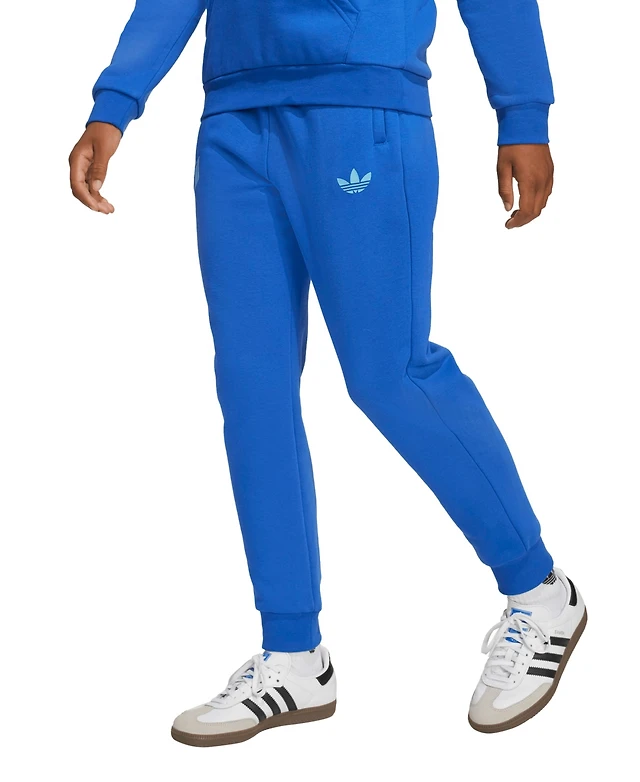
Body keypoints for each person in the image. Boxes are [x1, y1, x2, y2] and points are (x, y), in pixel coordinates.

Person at [69, 0, 587, 745]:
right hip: (234, 118)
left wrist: (523, 112)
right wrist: (117, 100)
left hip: (360, 101)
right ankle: (293, 654)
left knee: (391, 374)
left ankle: (540, 592)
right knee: (253, 392)